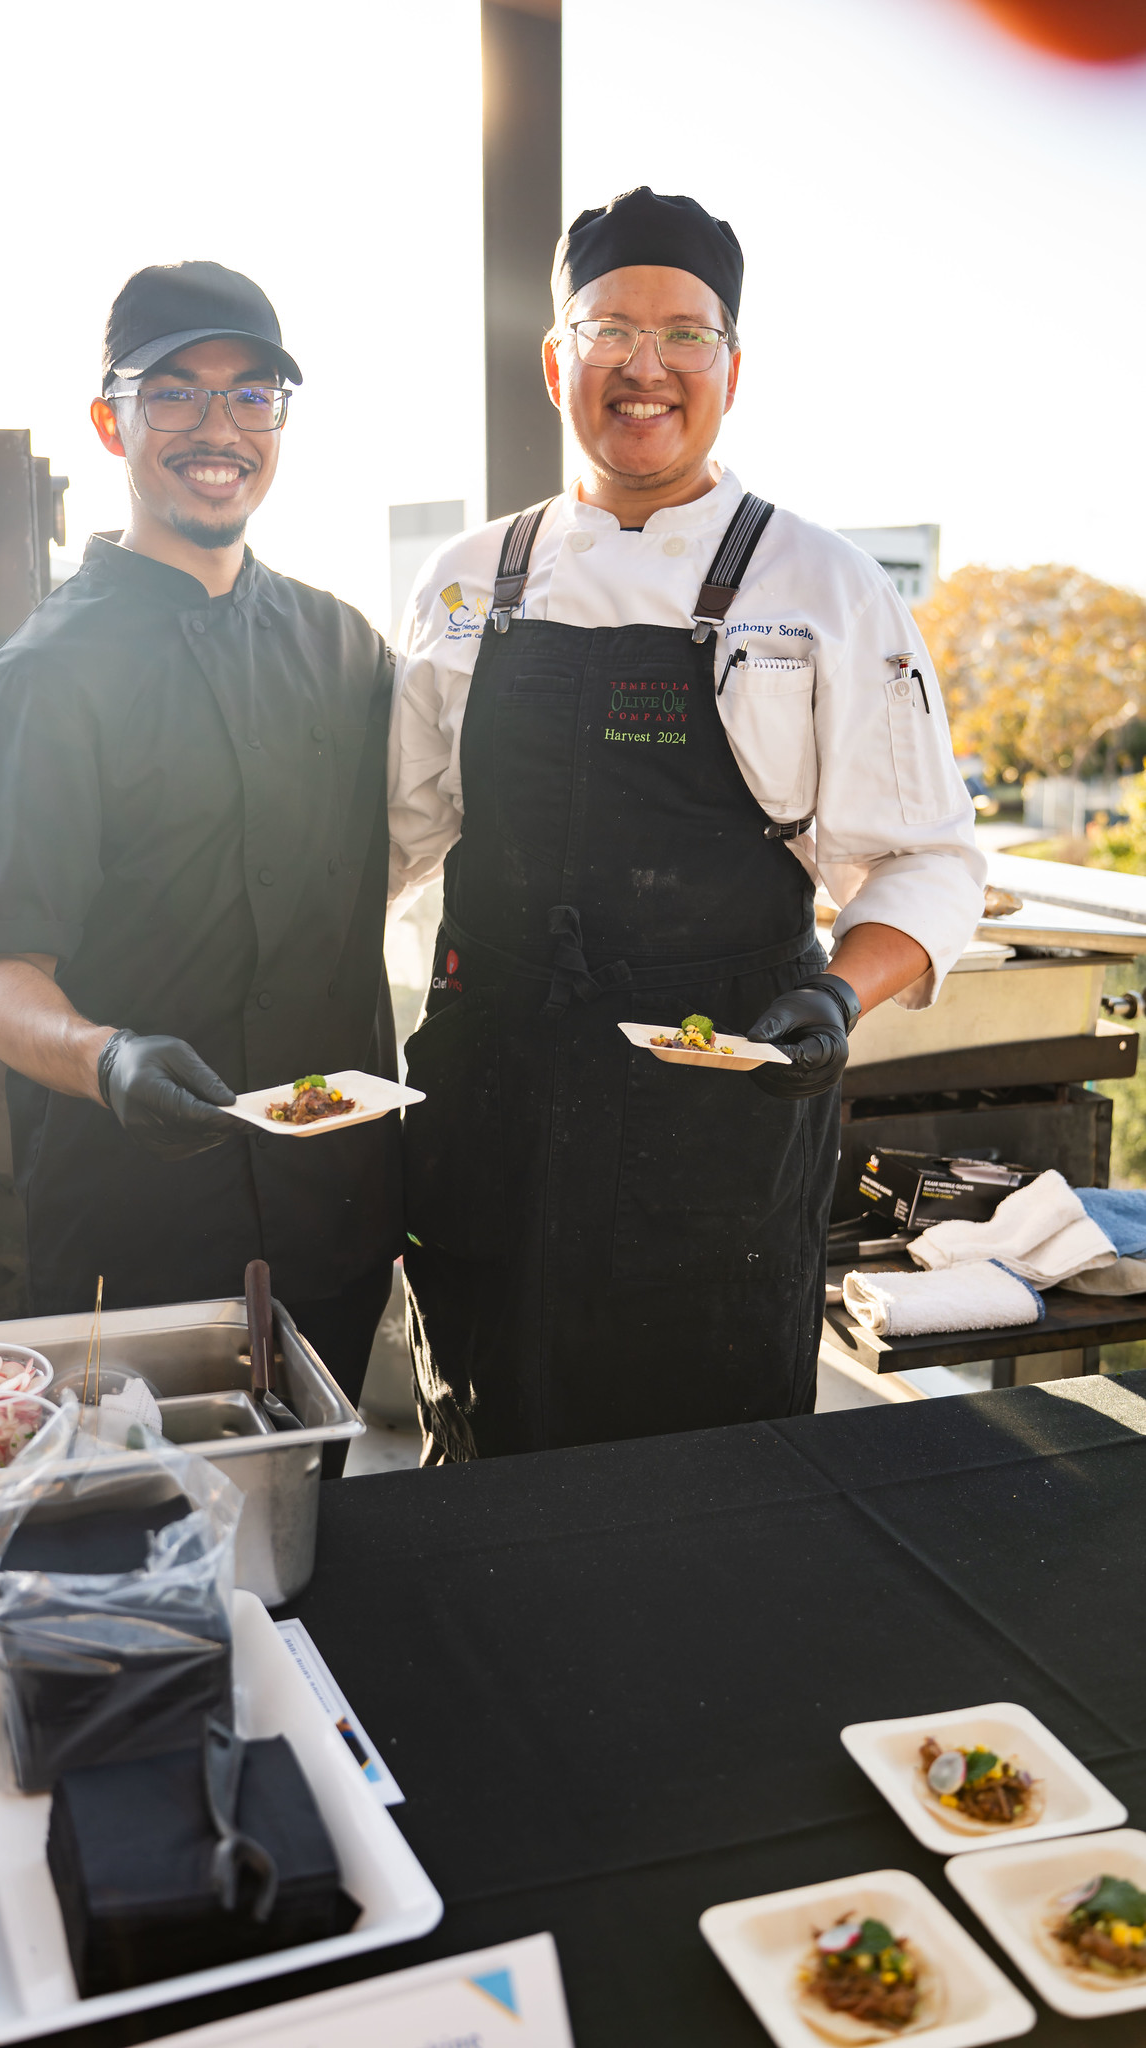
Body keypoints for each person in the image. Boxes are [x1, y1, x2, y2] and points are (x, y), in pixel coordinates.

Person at [388, 188, 984, 1462]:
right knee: (479, 1461)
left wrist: (837, 996)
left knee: (707, 1484)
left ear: (730, 369)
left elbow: (929, 860)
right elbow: (388, 844)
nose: (644, 366)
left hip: (707, 1127)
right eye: (610, 328)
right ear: (558, 361)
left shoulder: (820, 583)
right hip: (490, 1110)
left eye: (685, 335)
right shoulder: (462, 579)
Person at [0, 261, 399, 1466]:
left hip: (332, 1221)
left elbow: (394, 867)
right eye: (176, 394)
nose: (219, 429)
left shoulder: (348, 647)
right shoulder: (37, 683)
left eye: (253, 395)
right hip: (135, 1230)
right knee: (149, 1571)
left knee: (323, 1542)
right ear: (112, 420)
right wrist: (110, 1057)